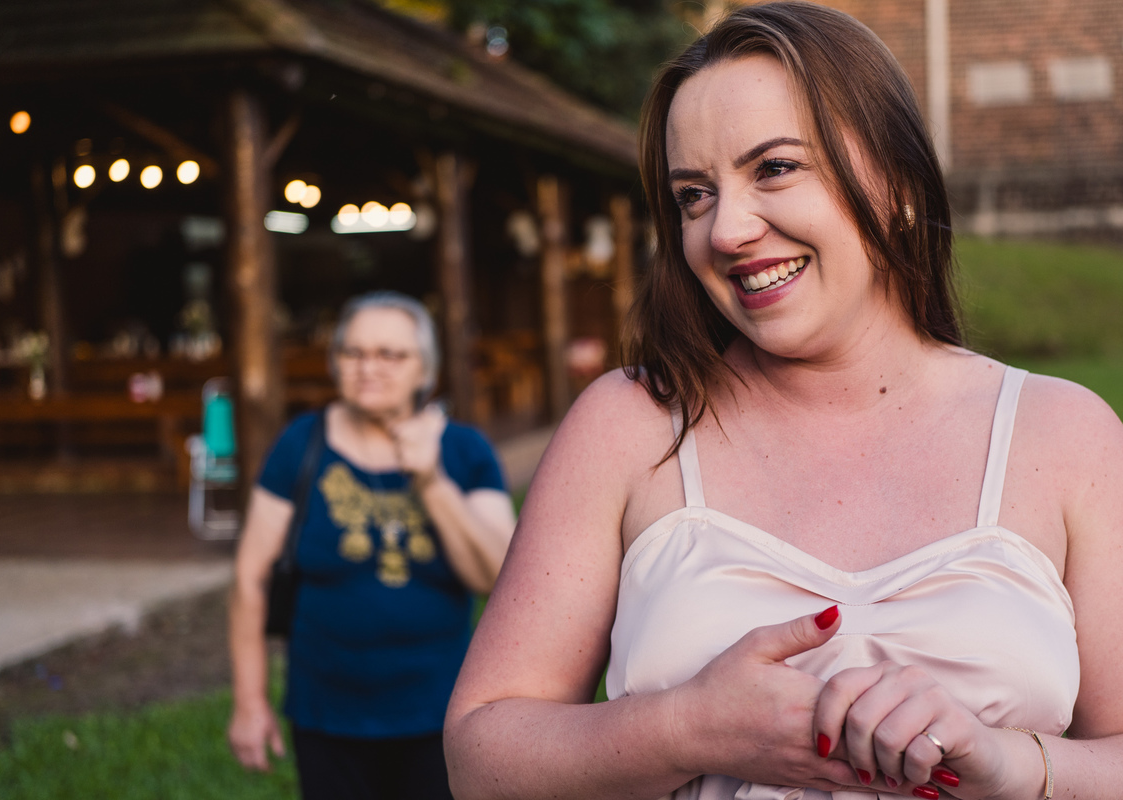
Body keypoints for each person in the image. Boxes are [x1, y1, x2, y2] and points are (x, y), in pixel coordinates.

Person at [445, 4, 1123, 800]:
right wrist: (684, 729)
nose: (724, 231)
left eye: (773, 168)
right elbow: (479, 759)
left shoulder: (1064, 435)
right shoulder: (629, 425)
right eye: (694, 196)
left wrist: (1009, 763)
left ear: (899, 182)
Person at [228, 291, 516, 800]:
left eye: (390, 354)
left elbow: (499, 578)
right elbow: (250, 579)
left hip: (442, 710)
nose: (368, 367)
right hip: (326, 711)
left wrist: (431, 480)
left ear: (425, 368)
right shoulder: (301, 443)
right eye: (353, 352)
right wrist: (250, 702)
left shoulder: (464, 450)